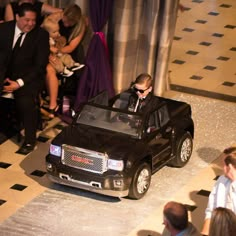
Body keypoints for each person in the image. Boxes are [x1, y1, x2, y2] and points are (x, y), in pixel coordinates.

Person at [0, 3, 50, 155]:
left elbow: (40, 66)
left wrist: (18, 83)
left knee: (26, 101)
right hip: (3, 75)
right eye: (26, 20)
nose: (30, 24)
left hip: (27, 78)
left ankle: (29, 140)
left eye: (33, 20)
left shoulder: (41, 35)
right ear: (17, 17)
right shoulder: (3, 30)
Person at [44, 4, 86, 118]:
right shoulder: (55, 17)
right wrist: (49, 50)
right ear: (63, 14)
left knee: (52, 68)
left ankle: (53, 105)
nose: (66, 25)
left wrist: (56, 51)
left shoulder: (81, 24)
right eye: (65, 21)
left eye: (70, 23)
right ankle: (49, 103)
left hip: (67, 52)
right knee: (46, 68)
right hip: (50, 50)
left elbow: (71, 47)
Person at [201, 147, 236, 235]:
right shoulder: (221, 181)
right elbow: (211, 210)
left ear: (230, 167)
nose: (221, 167)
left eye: (224, 164)